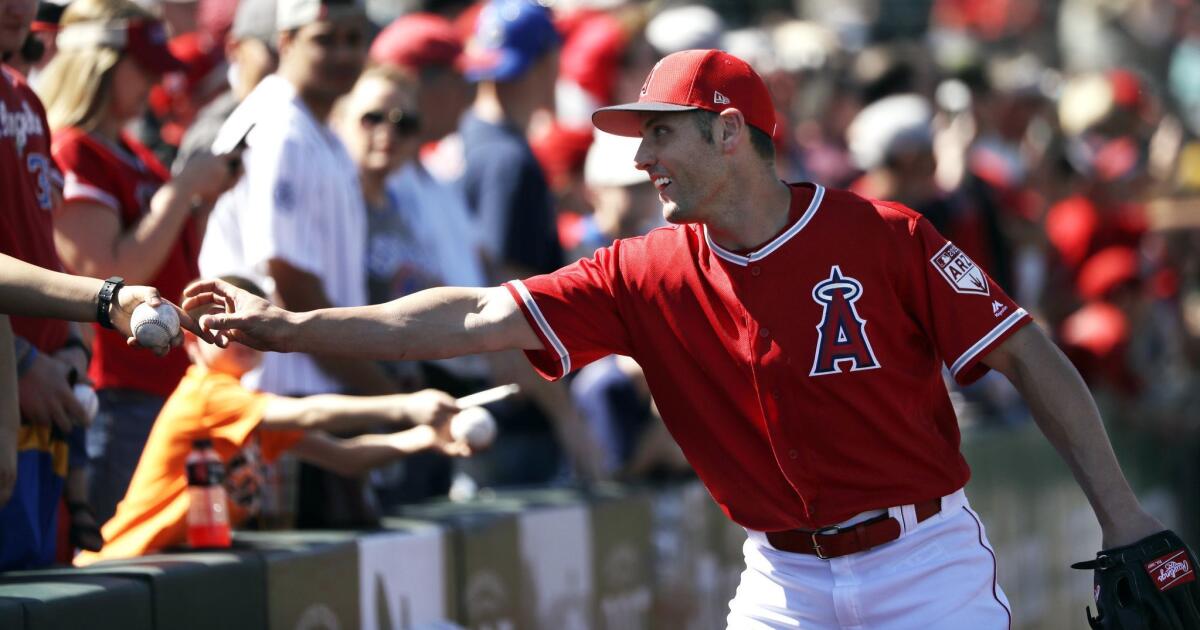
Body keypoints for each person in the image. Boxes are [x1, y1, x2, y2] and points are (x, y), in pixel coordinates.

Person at [186, 49, 1173, 627]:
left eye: (661, 131)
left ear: (729, 129)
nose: (642, 154)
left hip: (922, 563)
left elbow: (1027, 352)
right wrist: (293, 324)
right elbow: (480, 313)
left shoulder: (882, 235)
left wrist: (1121, 515)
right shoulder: (643, 267)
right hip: (783, 575)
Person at [74, 276, 470, 565]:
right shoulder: (208, 393)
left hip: (172, 570)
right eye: (218, 323)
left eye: (243, 325)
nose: (235, 333)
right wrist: (404, 406)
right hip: (125, 565)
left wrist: (422, 439)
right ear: (192, 340)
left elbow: (344, 458)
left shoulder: (246, 409)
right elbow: (308, 411)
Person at [37, 0, 241, 526]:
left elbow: (175, 261)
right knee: (115, 549)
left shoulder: (133, 152)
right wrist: (182, 191)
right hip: (116, 390)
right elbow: (105, 274)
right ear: (99, 63)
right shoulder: (73, 151)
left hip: (161, 381)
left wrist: (204, 199)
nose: (154, 81)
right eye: (143, 66)